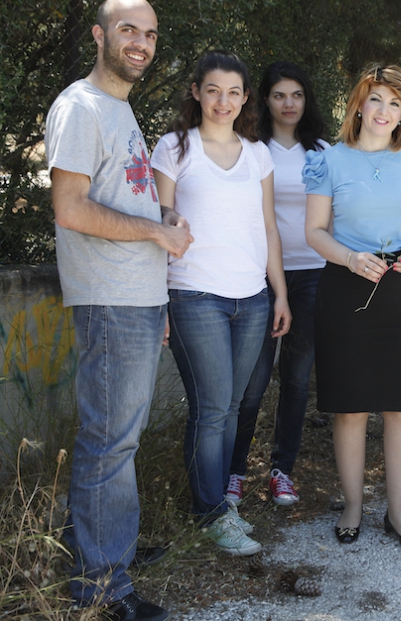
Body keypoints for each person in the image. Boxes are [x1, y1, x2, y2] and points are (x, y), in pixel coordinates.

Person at [46, 0, 192, 621]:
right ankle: (102, 585)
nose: (141, 43)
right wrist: (159, 235)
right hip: (108, 298)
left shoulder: (118, 110)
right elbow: (72, 209)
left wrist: (158, 217)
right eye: (128, 30)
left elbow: (117, 198)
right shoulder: (81, 107)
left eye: (151, 34)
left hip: (134, 297)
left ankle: (109, 548)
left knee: (120, 442)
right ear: (100, 37)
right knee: (109, 443)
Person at [151, 50, 291, 557]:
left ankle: (216, 505)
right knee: (211, 409)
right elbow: (160, 225)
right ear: (196, 92)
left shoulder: (257, 153)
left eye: (233, 92)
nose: (223, 101)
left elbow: (268, 227)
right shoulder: (173, 149)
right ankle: (210, 512)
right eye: (213, 90)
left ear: (245, 99)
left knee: (232, 406)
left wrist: (280, 293)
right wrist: (159, 300)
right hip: (194, 296)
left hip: (252, 298)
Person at [304, 64, 401, 552]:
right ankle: (353, 506)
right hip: (347, 287)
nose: (385, 112)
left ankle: (399, 513)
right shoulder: (330, 161)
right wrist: (348, 257)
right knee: (350, 408)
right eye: (377, 100)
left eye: (396, 103)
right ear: (359, 103)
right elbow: (315, 231)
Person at [226, 62, 329, 508]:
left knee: (297, 378)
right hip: (260, 275)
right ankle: (232, 473)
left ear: (307, 101)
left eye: (297, 95)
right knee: (251, 381)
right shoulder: (250, 149)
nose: (288, 104)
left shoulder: (323, 151)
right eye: (279, 95)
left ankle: (281, 471)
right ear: (264, 100)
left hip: (312, 273)